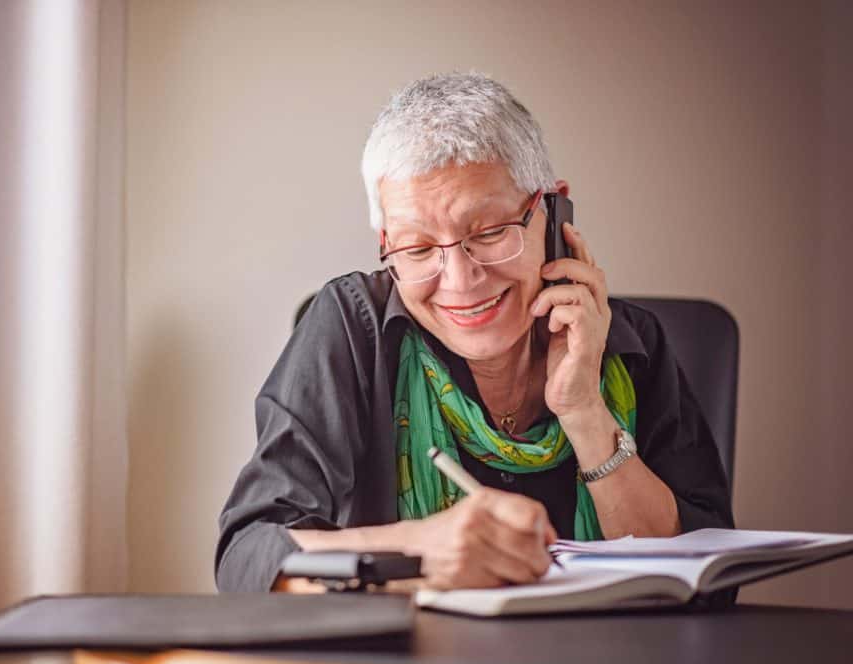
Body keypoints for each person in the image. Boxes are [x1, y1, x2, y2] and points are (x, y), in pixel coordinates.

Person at [216, 73, 733, 592]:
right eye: (417, 249)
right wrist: (417, 554)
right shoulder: (353, 327)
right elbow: (251, 555)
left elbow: (709, 576)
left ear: (551, 212)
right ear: (387, 242)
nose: (460, 281)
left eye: (488, 233)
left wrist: (585, 413)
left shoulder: (631, 341)